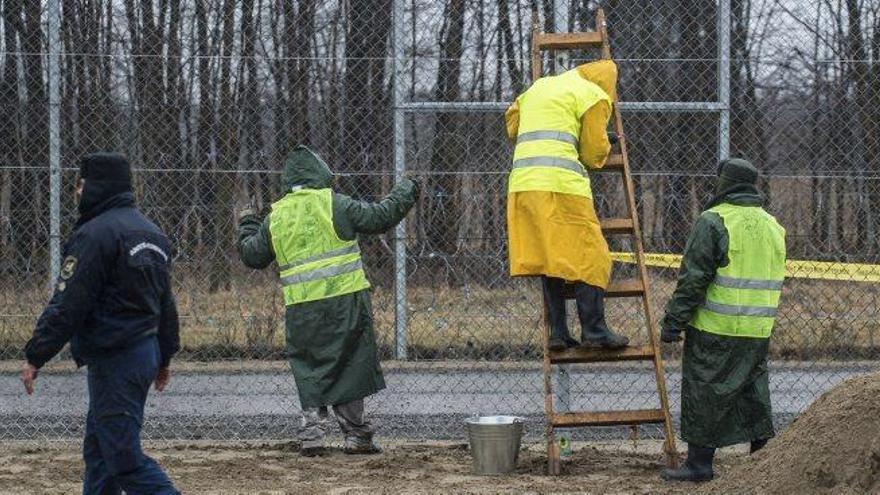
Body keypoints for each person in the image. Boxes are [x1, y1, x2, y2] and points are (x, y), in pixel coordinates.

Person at [238, 145, 418, 457]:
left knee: (310, 365)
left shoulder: (276, 216)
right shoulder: (336, 204)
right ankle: (356, 434)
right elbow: (380, 217)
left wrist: (248, 223)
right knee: (351, 361)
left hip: (302, 308)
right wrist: (408, 188)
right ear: (321, 175)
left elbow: (253, 256)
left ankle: (312, 432)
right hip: (345, 302)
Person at [21, 152, 180, 494]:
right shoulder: (152, 233)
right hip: (144, 352)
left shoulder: (94, 236)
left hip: (116, 356)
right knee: (99, 454)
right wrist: (165, 356)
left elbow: (69, 303)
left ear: (95, 186)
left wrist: (36, 354)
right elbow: (166, 305)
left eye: (80, 185)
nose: (76, 192)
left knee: (121, 456)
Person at [659, 158, 786, 482]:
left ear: (724, 183)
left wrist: (674, 321)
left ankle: (699, 464)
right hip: (758, 329)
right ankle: (763, 461)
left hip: (716, 328)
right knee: (752, 391)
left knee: (705, 390)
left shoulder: (714, 221)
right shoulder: (773, 224)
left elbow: (694, 279)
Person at [505, 59, 629, 351]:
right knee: (592, 255)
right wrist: (603, 141)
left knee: (551, 257)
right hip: (561, 186)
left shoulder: (541, 86)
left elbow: (512, 125)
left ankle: (558, 333)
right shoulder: (594, 95)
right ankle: (595, 331)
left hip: (523, 185)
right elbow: (593, 153)